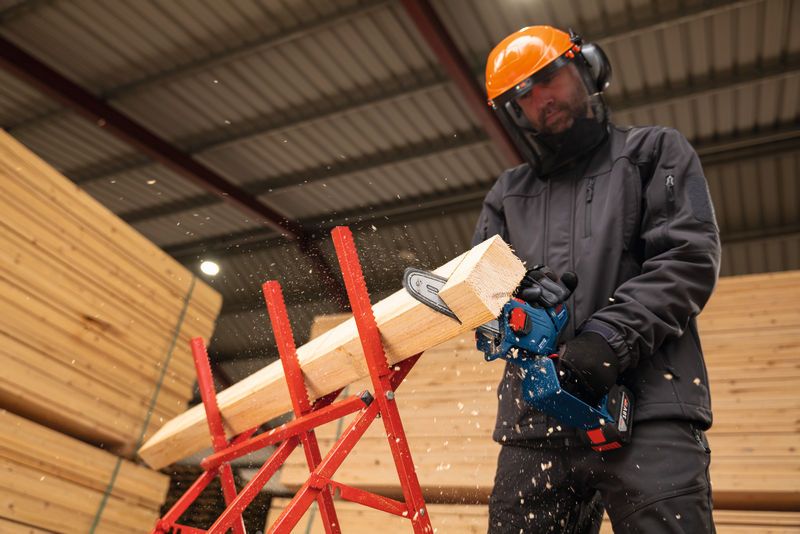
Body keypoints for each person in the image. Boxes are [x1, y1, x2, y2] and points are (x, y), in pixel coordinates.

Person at [473, 26, 721, 533]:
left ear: (587, 67)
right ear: (513, 114)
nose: (544, 98)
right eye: (525, 95)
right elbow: (483, 289)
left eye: (550, 78)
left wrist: (607, 340)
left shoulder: (655, 152)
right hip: (535, 422)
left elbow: (687, 256)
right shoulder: (507, 194)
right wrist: (510, 313)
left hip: (648, 407)